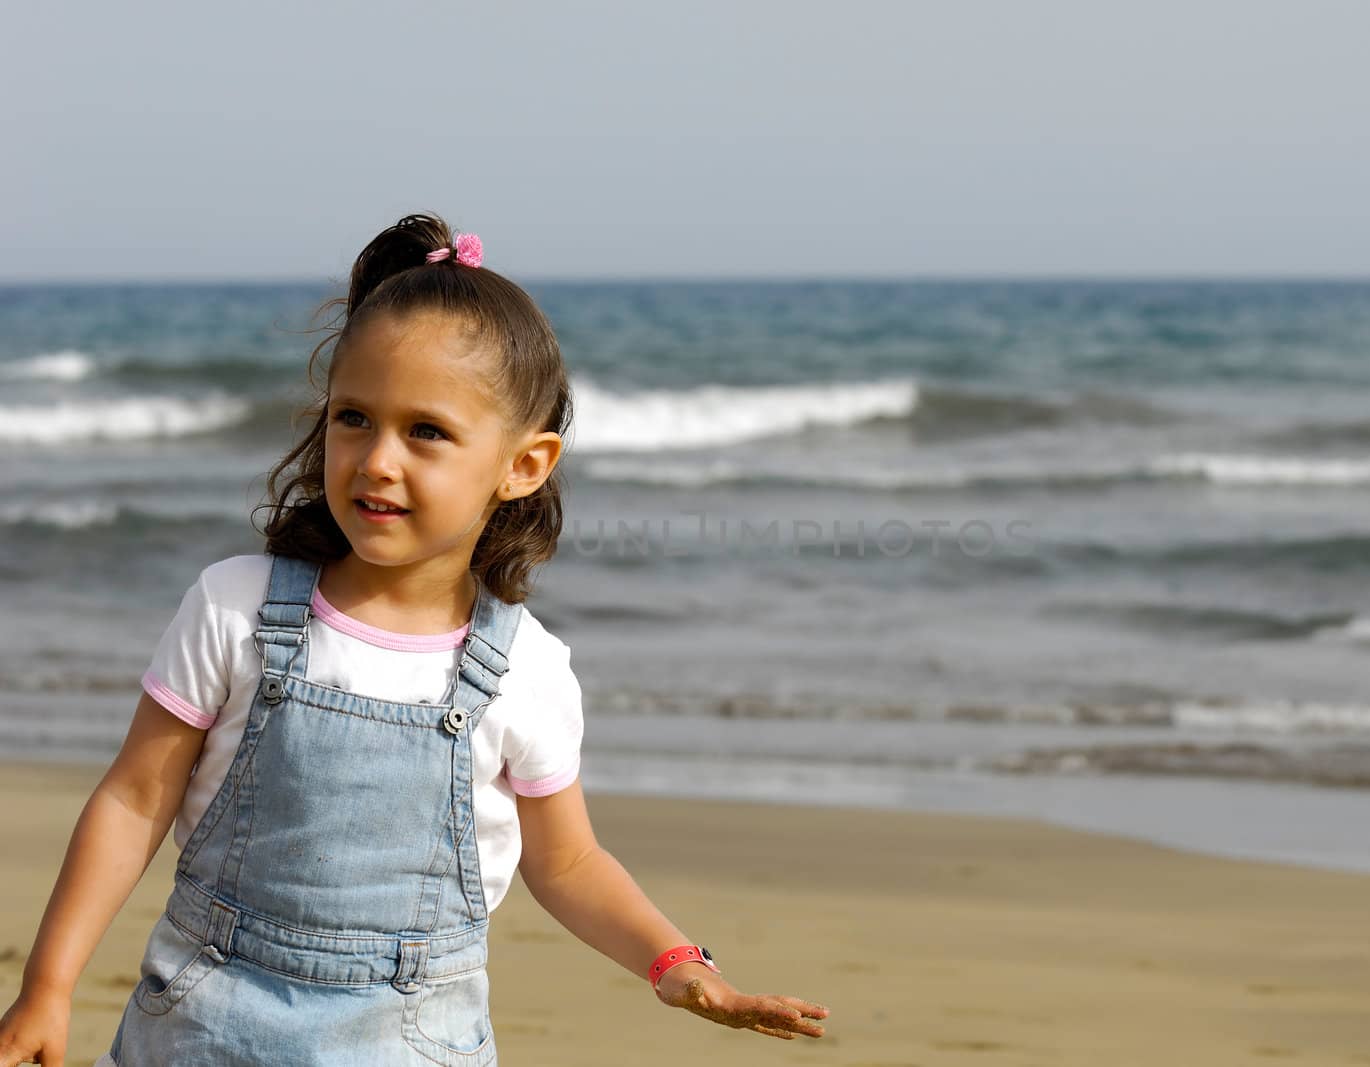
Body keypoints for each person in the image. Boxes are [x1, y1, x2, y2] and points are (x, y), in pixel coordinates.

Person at [0, 214, 830, 1066]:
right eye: (354, 418)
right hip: (201, 1033)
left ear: (525, 464)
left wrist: (677, 963)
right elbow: (134, 800)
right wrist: (50, 984)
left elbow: (570, 862)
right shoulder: (234, 605)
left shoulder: (527, 670)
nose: (376, 460)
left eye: (426, 431)